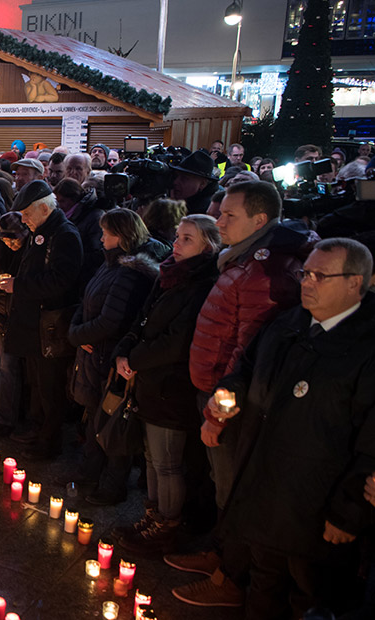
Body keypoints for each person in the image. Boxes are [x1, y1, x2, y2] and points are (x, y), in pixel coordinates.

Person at [214, 238, 375, 619]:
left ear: (356, 283)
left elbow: (372, 441)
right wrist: (231, 393)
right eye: (306, 273)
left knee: (311, 596)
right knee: (264, 582)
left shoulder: (367, 345)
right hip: (266, 487)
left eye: (321, 276)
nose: (307, 282)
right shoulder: (289, 321)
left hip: (317, 508)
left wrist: (348, 511)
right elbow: (248, 368)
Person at [171, 181, 312, 608]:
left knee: (232, 487)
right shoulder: (245, 259)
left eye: (229, 215)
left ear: (260, 220)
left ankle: (230, 577)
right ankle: (222, 553)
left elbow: (247, 347)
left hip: (227, 397)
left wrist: (220, 407)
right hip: (212, 386)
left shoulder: (265, 272)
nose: (219, 220)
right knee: (220, 482)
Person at [113, 214, 221, 553]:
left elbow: (178, 340)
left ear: (209, 246)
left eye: (187, 239)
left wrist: (134, 359)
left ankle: (167, 523)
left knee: (167, 460)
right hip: (149, 379)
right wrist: (123, 350)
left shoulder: (202, 283)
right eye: (177, 236)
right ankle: (153, 515)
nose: (176, 243)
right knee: (151, 455)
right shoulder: (169, 275)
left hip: (171, 384)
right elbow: (142, 319)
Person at [69, 209, 162, 505]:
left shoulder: (129, 273)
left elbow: (111, 321)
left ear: (121, 237)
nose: (100, 238)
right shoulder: (110, 264)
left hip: (110, 358)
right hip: (95, 352)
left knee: (113, 423)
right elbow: (87, 301)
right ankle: (90, 471)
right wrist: (76, 328)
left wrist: (78, 335)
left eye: (106, 233)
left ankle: (113, 484)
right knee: (96, 417)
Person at [1, 180, 84, 460]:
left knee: (50, 387)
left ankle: (49, 442)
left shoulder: (64, 235)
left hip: (50, 325)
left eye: (27, 214)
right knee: (37, 383)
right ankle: (38, 430)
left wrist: (19, 286)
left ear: (45, 208)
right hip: (34, 323)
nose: (23, 220)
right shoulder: (43, 231)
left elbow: (62, 281)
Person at [0, 212, 29, 436]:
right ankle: (5, 413)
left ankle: (9, 416)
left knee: (11, 367)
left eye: (14, 238)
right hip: (1, 314)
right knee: (5, 366)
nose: (10, 243)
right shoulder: (0, 252)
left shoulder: (29, 253)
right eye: (5, 239)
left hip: (18, 316)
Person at [169, 151, 220, 215]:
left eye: (184, 179)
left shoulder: (207, 210)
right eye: (175, 176)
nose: (175, 182)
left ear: (202, 184)